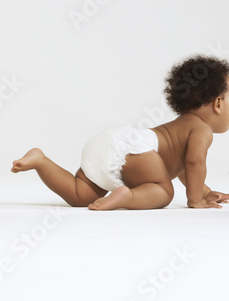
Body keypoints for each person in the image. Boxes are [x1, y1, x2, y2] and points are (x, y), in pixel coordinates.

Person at [12, 55, 229, 210]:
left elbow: (181, 166)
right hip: (138, 151)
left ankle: (41, 161)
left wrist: (205, 191)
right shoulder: (201, 130)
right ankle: (127, 197)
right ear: (218, 103)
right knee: (163, 191)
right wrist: (196, 200)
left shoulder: (181, 125)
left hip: (108, 142)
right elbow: (193, 164)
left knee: (81, 195)